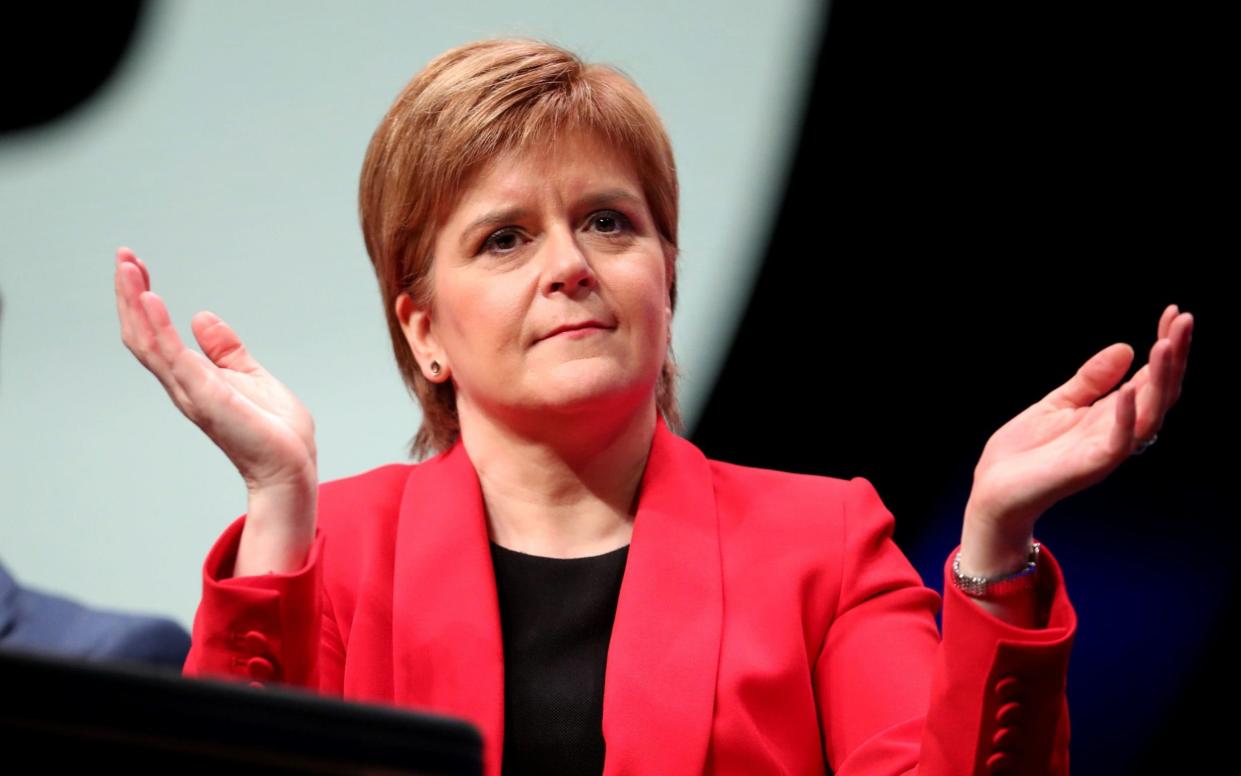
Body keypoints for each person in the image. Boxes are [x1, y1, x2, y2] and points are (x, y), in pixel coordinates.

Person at [113, 38, 1194, 776]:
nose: (569, 265)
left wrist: (994, 545)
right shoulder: (336, 550)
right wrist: (273, 494)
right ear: (424, 330)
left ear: (665, 277)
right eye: (504, 238)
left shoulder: (822, 543)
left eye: (607, 222)